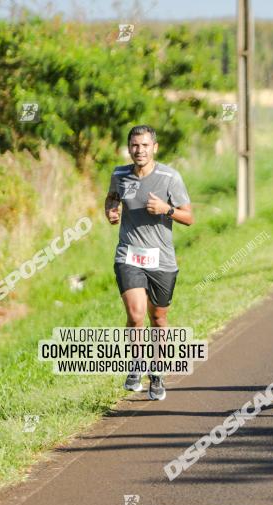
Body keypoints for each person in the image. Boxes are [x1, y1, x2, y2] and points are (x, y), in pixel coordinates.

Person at [104, 125, 194, 400]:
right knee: (136, 314)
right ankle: (135, 365)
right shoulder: (119, 175)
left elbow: (189, 217)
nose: (139, 150)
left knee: (158, 317)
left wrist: (166, 209)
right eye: (134, 145)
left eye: (144, 145)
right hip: (129, 254)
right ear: (128, 147)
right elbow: (111, 198)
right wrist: (110, 210)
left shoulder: (170, 177)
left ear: (154, 148)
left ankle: (157, 372)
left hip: (162, 259)